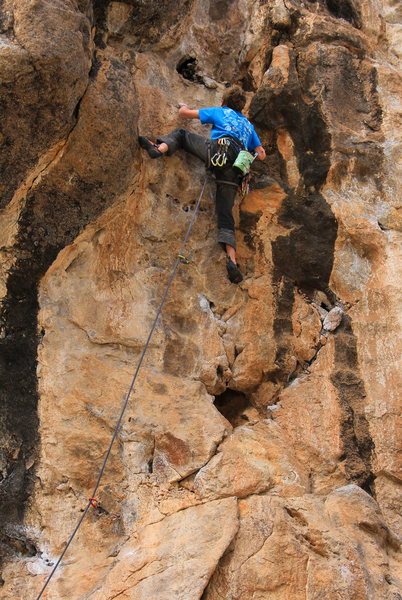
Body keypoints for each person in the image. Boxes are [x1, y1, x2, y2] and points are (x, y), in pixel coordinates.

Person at [138, 85, 266, 283]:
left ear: (224, 101)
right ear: (241, 107)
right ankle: (232, 261)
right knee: (226, 214)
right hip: (236, 169)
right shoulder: (248, 126)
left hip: (218, 152)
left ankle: (158, 148)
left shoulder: (220, 111)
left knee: (181, 135)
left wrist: (183, 105)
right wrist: (249, 156)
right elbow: (262, 154)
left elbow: (184, 114)